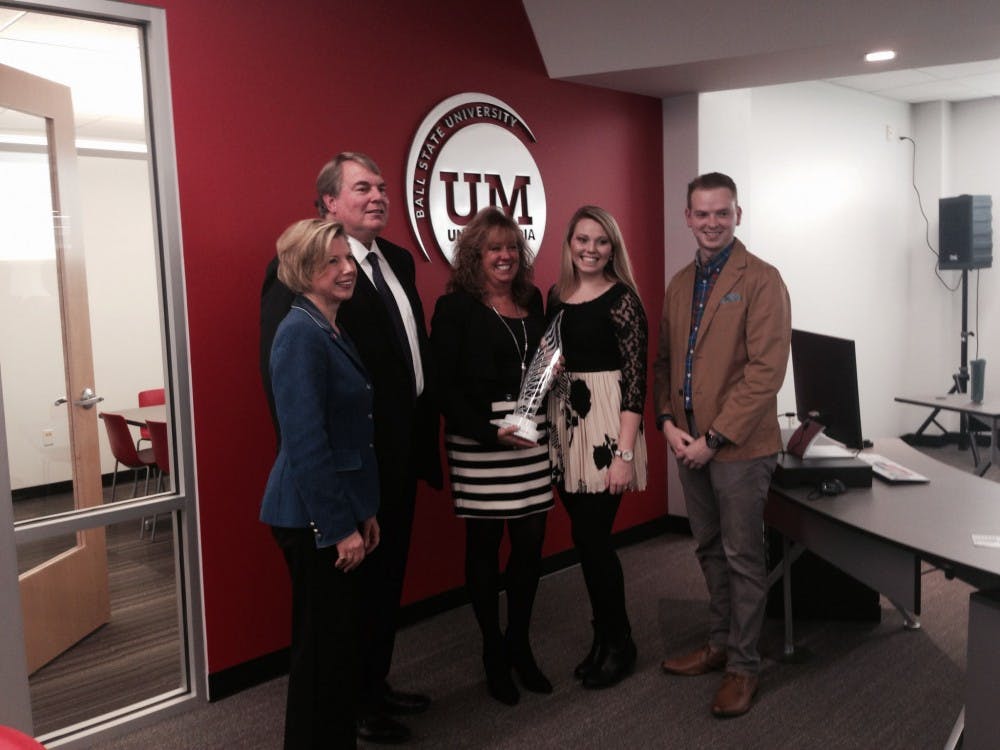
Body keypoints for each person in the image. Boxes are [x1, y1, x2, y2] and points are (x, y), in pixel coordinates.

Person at [260, 153, 442, 745]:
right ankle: (353, 706)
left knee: (383, 585)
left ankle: (373, 686)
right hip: (341, 472)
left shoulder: (397, 261)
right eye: (362, 187)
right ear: (329, 203)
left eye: (383, 187)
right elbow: (293, 405)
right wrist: (328, 501)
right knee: (335, 620)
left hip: (394, 458)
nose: (378, 195)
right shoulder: (297, 290)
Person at [654, 172, 791, 718]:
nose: (711, 223)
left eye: (722, 213)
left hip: (737, 448)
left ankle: (743, 666)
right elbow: (666, 362)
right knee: (708, 548)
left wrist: (712, 439)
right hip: (687, 442)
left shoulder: (762, 279)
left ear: (738, 214)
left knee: (743, 556)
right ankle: (717, 643)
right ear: (687, 217)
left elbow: (765, 374)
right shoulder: (680, 282)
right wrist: (666, 421)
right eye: (702, 214)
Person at [260, 219, 380, 749]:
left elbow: (348, 434)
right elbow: (307, 443)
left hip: (335, 509)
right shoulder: (298, 334)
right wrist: (337, 528)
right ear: (303, 269)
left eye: (348, 259)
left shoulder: (329, 324)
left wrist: (363, 512)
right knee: (320, 653)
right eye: (331, 261)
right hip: (310, 517)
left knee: (335, 648)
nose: (346, 269)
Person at [429, 208, 554, 706]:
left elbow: (542, 361)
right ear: (473, 256)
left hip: (530, 436)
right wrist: (488, 432)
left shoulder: (532, 297)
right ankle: (492, 652)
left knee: (529, 547)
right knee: (484, 548)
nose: (504, 256)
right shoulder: (455, 307)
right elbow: (440, 387)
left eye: (510, 248)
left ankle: (519, 644)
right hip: (481, 441)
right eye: (492, 249)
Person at [546, 205, 648, 689]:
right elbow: (550, 357)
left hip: (607, 433)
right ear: (569, 244)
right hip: (566, 427)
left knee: (595, 540)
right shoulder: (556, 295)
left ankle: (620, 641)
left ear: (613, 248)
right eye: (582, 240)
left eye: (600, 241)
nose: (590, 249)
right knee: (584, 539)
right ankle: (603, 637)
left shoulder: (622, 300)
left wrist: (625, 456)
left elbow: (636, 384)